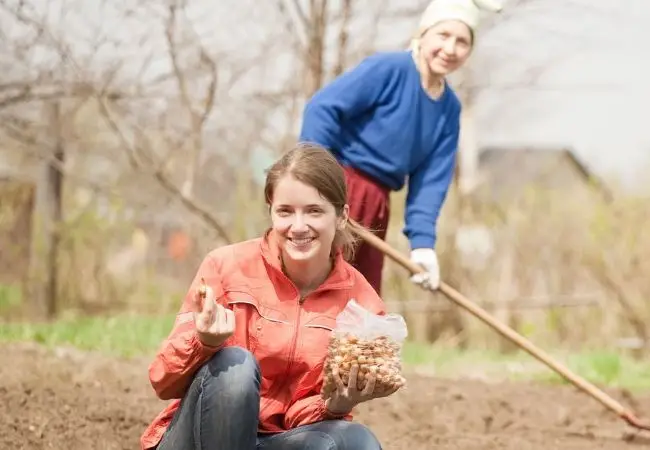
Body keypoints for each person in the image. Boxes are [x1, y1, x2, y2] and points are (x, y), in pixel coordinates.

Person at [139, 143, 405, 450]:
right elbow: (162, 380)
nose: (298, 226)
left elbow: (301, 423)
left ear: (342, 216)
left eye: (314, 211)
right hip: (197, 438)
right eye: (285, 211)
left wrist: (333, 407)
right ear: (271, 212)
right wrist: (203, 343)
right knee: (235, 367)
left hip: (277, 441)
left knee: (359, 443)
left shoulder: (361, 305)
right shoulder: (226, 267)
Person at [299, 0, 502, 295]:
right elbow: (322, 109)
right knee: (314, 286)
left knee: (360, 300)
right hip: (337, 187)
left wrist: (423, 246)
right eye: (443, 35)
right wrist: (314, 183)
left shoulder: (449, 110)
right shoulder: (389, 69)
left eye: (462, 42)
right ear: (424, 33)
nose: (450, 48)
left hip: (377, 204)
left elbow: (430, 185)